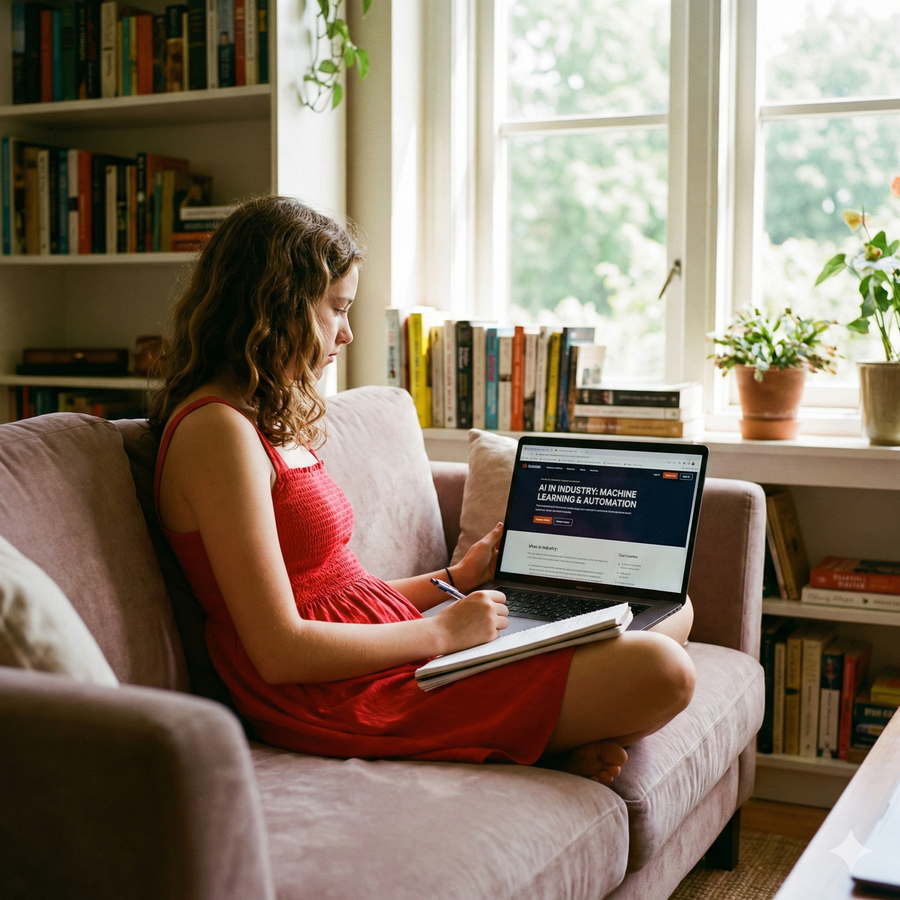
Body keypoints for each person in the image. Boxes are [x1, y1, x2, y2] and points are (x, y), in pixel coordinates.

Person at [149, 195, 696, 785]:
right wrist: (442, 630)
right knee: (664, 668)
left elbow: (341, 597)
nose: (348, 333)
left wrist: (456, 581)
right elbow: (280, 648)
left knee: (668, 610)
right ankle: (534, 740)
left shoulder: (259, 417)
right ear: (276, 304)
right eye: (336, 308)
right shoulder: (215, 432)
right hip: (332, 690)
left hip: (385, 647)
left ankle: (530, 738)